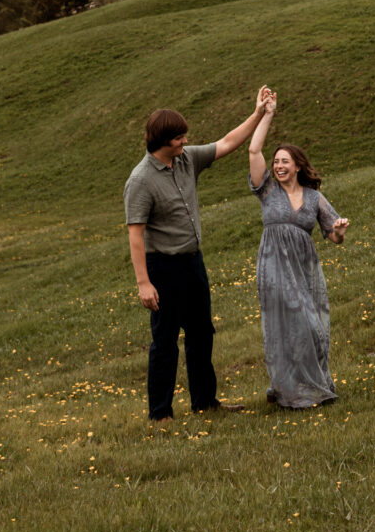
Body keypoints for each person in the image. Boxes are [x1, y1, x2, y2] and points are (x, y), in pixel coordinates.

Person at [125, 86, 272, 422]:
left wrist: (258, 113)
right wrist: (143, 283)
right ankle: (160, 413)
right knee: (164, 341)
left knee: (201, 333)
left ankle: (205, 402)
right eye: (178, 137)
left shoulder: (187, 159)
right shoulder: (140, 180)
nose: (184, 141)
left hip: (193, 263)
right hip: (162, 267)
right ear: (162, 140)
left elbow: (228, 142)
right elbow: (135, 235)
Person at [248, 92, 349, 408]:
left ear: (297, 166)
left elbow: (333, 236)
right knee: (288, 325)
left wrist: (339, 232)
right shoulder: (267, 191)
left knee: (312, 327)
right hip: (273, 265)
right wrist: (267, 114)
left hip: (304, 269)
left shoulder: (315, 198)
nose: (278, 166)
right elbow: (253, 149)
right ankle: (289, 390)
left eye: (284, 161)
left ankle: (309, 383)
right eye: (276, 161)